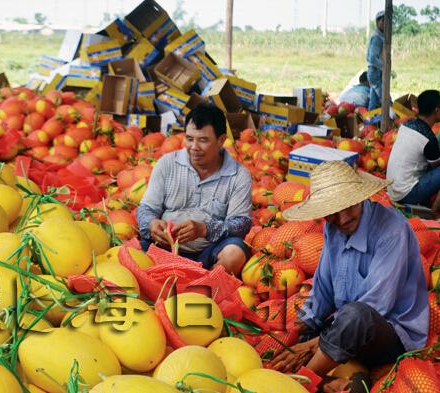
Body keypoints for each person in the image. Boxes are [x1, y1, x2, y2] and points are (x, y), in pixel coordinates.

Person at [271, 160, 429, 392]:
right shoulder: (332, 228)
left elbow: (375, 306)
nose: (342, 218)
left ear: (360, 198)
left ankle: (302, 384)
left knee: (355, 316)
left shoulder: (392, 230)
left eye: (348, 207)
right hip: (344, 328)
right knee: (302, 340)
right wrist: (298, 333)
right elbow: (322, 290)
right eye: (332, 213)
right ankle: (336, 384)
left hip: (389, 333)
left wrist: (317, 344)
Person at [136, 102, 252, 275]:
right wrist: (151, 223)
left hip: (208, 252)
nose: (194, 147)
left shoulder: (239, 175)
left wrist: (205, 229)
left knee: (235, 252)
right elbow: (146, 209)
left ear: (221, 140)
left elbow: (241, 224)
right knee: (130, 252)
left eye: (203, 140)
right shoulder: (167, 163)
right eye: (189, 139)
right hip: (164, 249)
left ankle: (207, 288)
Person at [386, 90, 440, 210]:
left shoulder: (406, 125)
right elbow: (436, 167)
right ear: (437, 110)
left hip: (392, 188)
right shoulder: (428, 139)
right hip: (405, 194)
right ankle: (435, 211)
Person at [367, 11, 385, 110]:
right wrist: (385, 67)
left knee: (374, 101)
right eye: (383, 21)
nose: (385, 24)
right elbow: (372, 58)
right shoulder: (377, 38)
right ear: (378, 22)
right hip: (375, 71)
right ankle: (394, 120)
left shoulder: (380, 36)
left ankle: (369, 124)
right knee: (385, 98)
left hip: (375, 71)